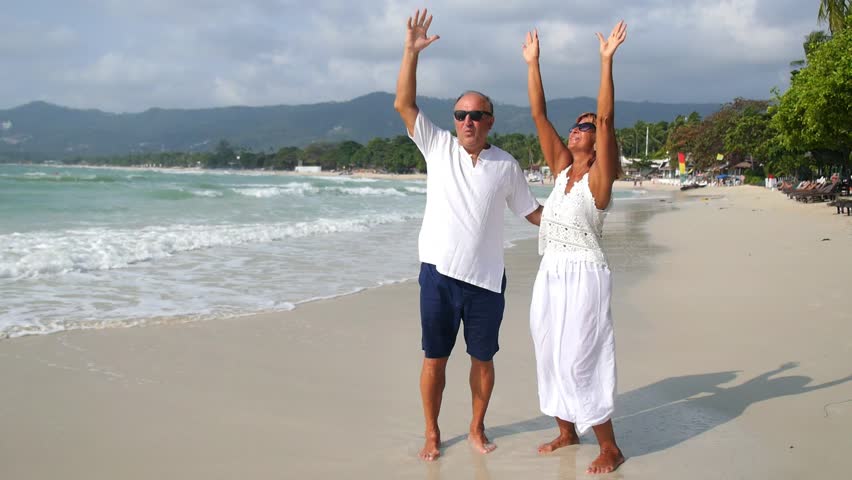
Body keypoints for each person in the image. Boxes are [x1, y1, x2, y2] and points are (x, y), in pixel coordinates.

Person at [393, 9, 543, 462]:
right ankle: (433, 433)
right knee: (434, 359)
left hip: (486, 282)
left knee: (483, 361)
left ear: (490, 122)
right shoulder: (438, 147)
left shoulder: (506, 165)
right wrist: (410, 52)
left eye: (477, 116)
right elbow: (404, 104)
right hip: (439, 276)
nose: (467, 122)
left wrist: (578, 216)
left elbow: (533, 213)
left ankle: (476, 428)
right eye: (460, 115)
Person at [522, 21, 627, 474]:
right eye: (577, 125)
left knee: (581, 355)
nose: (579, 129)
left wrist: (606, 61)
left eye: (586, 126)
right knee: (549, 351)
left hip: (585, 271)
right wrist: (534, 64)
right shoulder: (562, 172)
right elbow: (538, 116)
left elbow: (605, 118)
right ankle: (566, 429)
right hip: (551, 270)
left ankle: (609, 446)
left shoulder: (600, 180)